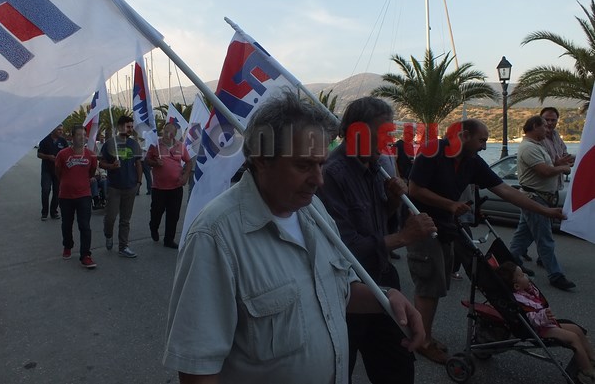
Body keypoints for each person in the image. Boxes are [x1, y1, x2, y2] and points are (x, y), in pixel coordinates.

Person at [163, 92, 425, 384]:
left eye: (321, 164)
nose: (319, 179)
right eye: (303, 165)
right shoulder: (215, 236)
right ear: (262, 159)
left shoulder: (313, 210)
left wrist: (387, 298)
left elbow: (340, 288)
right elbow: (198, 367)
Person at [407, 118, 566, 364]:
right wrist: (450, 204)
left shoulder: (472, 161)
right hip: (422, 227)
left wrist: (545, 211)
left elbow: (505, 190)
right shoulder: (432, 151)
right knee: (428, 285)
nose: (484, 146)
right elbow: (414, 189)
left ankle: (423, 333)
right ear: (464, 135)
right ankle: (423, 341)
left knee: (437, 285)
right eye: (482, 140)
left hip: (447, 227)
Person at [317, 97, 436, 384]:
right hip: (349, 289)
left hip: (383, 277)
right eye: (382, 132)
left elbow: (380, 223)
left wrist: (393, 202)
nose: (388, 140)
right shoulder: (332, 174)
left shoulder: (375, 166)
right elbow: (346, 247)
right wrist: (405, 237)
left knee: (397, 366)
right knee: (340, 369)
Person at [495, 261, 595, 384]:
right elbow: (530, 318)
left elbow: (536, 300)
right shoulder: (519, 300)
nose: (526, 275)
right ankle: (587, 371)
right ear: (516, 286)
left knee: (577, 330)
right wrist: (544, 316)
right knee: (573, 338)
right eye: (522, 275)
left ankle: (592, 358)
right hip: (540, 329)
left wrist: (529, 287)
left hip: (547, 324)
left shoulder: (524, 291)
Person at [508, 115, 575, 291]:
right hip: (535, 198)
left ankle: (509, 264)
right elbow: (544, 171)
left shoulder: (537, 146)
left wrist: (558, 163)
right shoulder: (529, 148)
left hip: (539, 198)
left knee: (523, 235)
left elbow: (548, 166)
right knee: (545, 239)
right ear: (534, 126)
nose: (548, 129)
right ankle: (555, 275)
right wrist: (563, 168)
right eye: (544, 126)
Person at [99, 115, 143, 258]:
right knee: (110, 218)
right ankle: (108, 234)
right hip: (114, 187)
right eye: (127, 126)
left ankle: (123, 246)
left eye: (131, 127)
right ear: (119, 127)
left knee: (125, 220)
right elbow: (101, 163)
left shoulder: (134, 144)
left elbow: (138, 163)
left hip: (130, 187)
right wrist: (111, 166)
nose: (130, 129)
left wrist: (139, 182)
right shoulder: (109, 144)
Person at [55, 125, 97, 269]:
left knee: (85, 226)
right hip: (66, 196)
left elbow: (92, 172)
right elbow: (58, 172)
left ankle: (85, 255)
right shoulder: (62, 154)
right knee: (67, 224)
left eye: (84, 135)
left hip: (84, 195)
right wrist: (67, 182)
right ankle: (68, 245)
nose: (82, 137)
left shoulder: (91, 155)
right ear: (72, 137)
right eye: (79, 135)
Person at [146, 122, 192, 249]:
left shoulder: (180, 146)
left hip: (176, 187)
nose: (167, 134)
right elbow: (147, 160)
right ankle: (153, 227)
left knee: (173, 214)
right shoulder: (155, 144)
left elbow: (188, 162)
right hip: (159, 188)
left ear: (175, 134)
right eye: (166, 131)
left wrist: (185, 176)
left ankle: (169, 239)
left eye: (171, 132)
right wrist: (155, 163)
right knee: (157, 212)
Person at [37, 125, 68, 220]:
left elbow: (67, 154)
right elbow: (39, 154)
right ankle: (44, 213)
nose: (61, 131)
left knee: (57, 191)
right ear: (53, 130)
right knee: (45, 190)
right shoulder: (45, 140)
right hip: (46, 170)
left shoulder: (63, 141)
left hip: (58, 171)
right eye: (59, 130)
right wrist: (48, 157)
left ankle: (54, 212)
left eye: (62, 130)